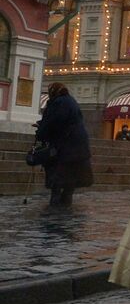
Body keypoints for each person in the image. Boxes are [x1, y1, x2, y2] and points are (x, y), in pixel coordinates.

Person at [34, 82, 93, 210]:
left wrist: (41, 132)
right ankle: (66, 203)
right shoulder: (71, 101)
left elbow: (54, 122)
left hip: (64, 146)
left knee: (57, 175)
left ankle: (55, 205)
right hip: (78, 147)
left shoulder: (58, 102)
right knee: (70, 178)